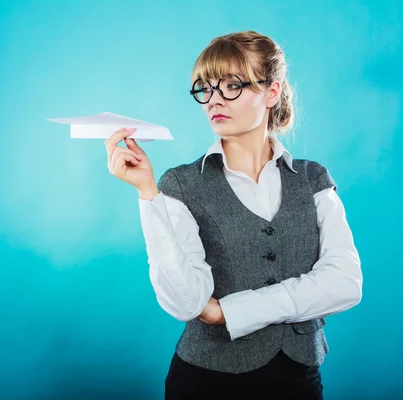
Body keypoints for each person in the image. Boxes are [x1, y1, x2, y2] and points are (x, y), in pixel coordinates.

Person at [104, 31, 363, 399]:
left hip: (299, 379)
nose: (213, 100)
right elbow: (188, 303)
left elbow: (345, 284)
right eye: (205, 88)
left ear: (272, 92)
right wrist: (148, 194)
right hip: (206, 381)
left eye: (231, 85)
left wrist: (229, 311)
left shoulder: (313, 178)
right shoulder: (180, 183)